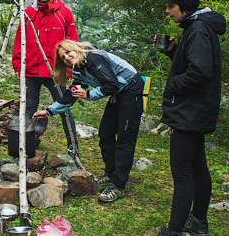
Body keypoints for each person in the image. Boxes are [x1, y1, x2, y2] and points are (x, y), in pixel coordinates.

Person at [145, 0, 226, 236]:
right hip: (197, 111)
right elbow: (194, 62)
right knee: (197, 166)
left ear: (185, 6)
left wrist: (172, 86)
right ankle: (198, 222)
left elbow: (200, 72)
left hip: (190, 113)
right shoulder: (197, 27)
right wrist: (172, 51)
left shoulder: (199, 30)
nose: (167, 10)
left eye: (171, 6)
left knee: (182, 173)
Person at [35, 40, 146, 203]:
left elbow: (112, 84)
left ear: (75, 49)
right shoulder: (79, 68)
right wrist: (49, 111)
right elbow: (72, 93)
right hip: (119, 93)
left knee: (125, 139)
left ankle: (118, 186)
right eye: (63, 57)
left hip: (131, 89)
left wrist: (88, 95)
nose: (67, 57)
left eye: (68, 52)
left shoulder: (93, 59)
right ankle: (111, 174)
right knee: (106, 134)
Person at [12, 0, 79, 155]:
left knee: (64, 108)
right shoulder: (28, 13)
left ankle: (73, 147)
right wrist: (18, 65)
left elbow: (72, 42)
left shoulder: (64, 13)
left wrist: (70, 68)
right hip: (32, 70)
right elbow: (19, 40)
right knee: (28, 110)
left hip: (56, 71)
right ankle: (25, 147)